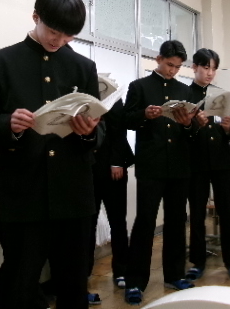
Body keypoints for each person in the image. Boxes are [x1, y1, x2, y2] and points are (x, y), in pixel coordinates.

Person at [0, 0, 102, 309]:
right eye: (54, 31)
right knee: (21, 281)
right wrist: (9, 124)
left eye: (69, 35)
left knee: (73, 282)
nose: (60, 41)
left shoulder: (83, 67)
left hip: (73, 192)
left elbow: (98, 132)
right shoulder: (1, 62)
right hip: (23, 191)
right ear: (35, 17)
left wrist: (88, 133)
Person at [122, 40, 197, 306]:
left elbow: (192, 133)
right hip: (151, 165)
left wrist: (188, 124)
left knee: (177, 221)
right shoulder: (139, 86)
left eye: (177, 67)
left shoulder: (185, 90)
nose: (172, 71)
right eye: (169, 65)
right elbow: (126, 120)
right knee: (145, 222)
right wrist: (145, 114)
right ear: (158, 59)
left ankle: (175, 274)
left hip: (179, 165)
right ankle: (135, 281)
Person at [185, 48, 230, 282]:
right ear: (195, 67)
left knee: (226, 211)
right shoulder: (185, 95)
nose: (210, 73)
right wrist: (193, 125)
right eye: (205, 67)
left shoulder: (222, 95)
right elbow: (181, 133)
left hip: (221, 161)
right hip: (196, 162)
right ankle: (197, 261)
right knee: (197, 214)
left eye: (213, 68)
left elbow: (229, 131)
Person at [87, 98, 134, 305]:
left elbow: (119, 130)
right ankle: (84, 272)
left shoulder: (114, 97)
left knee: (118, 222)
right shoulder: (83, 96)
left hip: (113, 169)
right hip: (89, 169)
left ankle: (121, 270)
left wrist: (116, 161)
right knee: (87, 225)